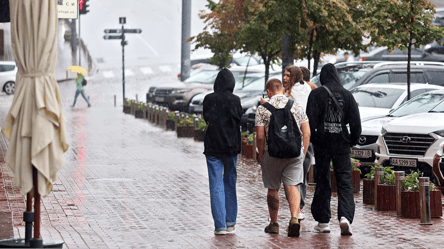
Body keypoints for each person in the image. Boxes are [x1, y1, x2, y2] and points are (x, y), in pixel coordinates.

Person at [306, 63, 361, 235]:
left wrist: (315, 140)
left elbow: (310, 122)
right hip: (341, 144)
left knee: (322, 180)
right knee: (344, 181)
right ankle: (345, 217)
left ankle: (323, 222)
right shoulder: (347, 95)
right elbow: (356, 124)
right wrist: (351, 141)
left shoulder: (316, 94)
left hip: (322, 144)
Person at [256, 78, 310, 237]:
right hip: (294, 154)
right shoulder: (297, 105)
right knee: (293, 185)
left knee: (273, 188)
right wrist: (303, 152)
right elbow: (306, 132)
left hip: (271, 154)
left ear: (268, 92)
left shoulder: (263, 109)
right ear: (283, 89)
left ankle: (274, 224)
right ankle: (294, 219)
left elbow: (259, 136)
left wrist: (261, 155)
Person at [202, 68, 243, 235]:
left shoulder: (208, 99)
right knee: (230, 182)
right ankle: (230, 221)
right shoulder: (235, 100)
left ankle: (220, 225)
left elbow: (207, 119)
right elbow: (238, 119)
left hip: (213, 146)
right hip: (231, 146)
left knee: (216, 183)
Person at [282, 65, 313, 222]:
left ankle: (298, 207)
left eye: (288, 75)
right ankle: (299, 207)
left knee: (294, 173)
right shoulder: (305, 88)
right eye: (284, 75)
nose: (285, 78)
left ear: (294, 76)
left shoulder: (295, 92)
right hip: (303, 135)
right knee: (300, 173)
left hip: (297, 136)